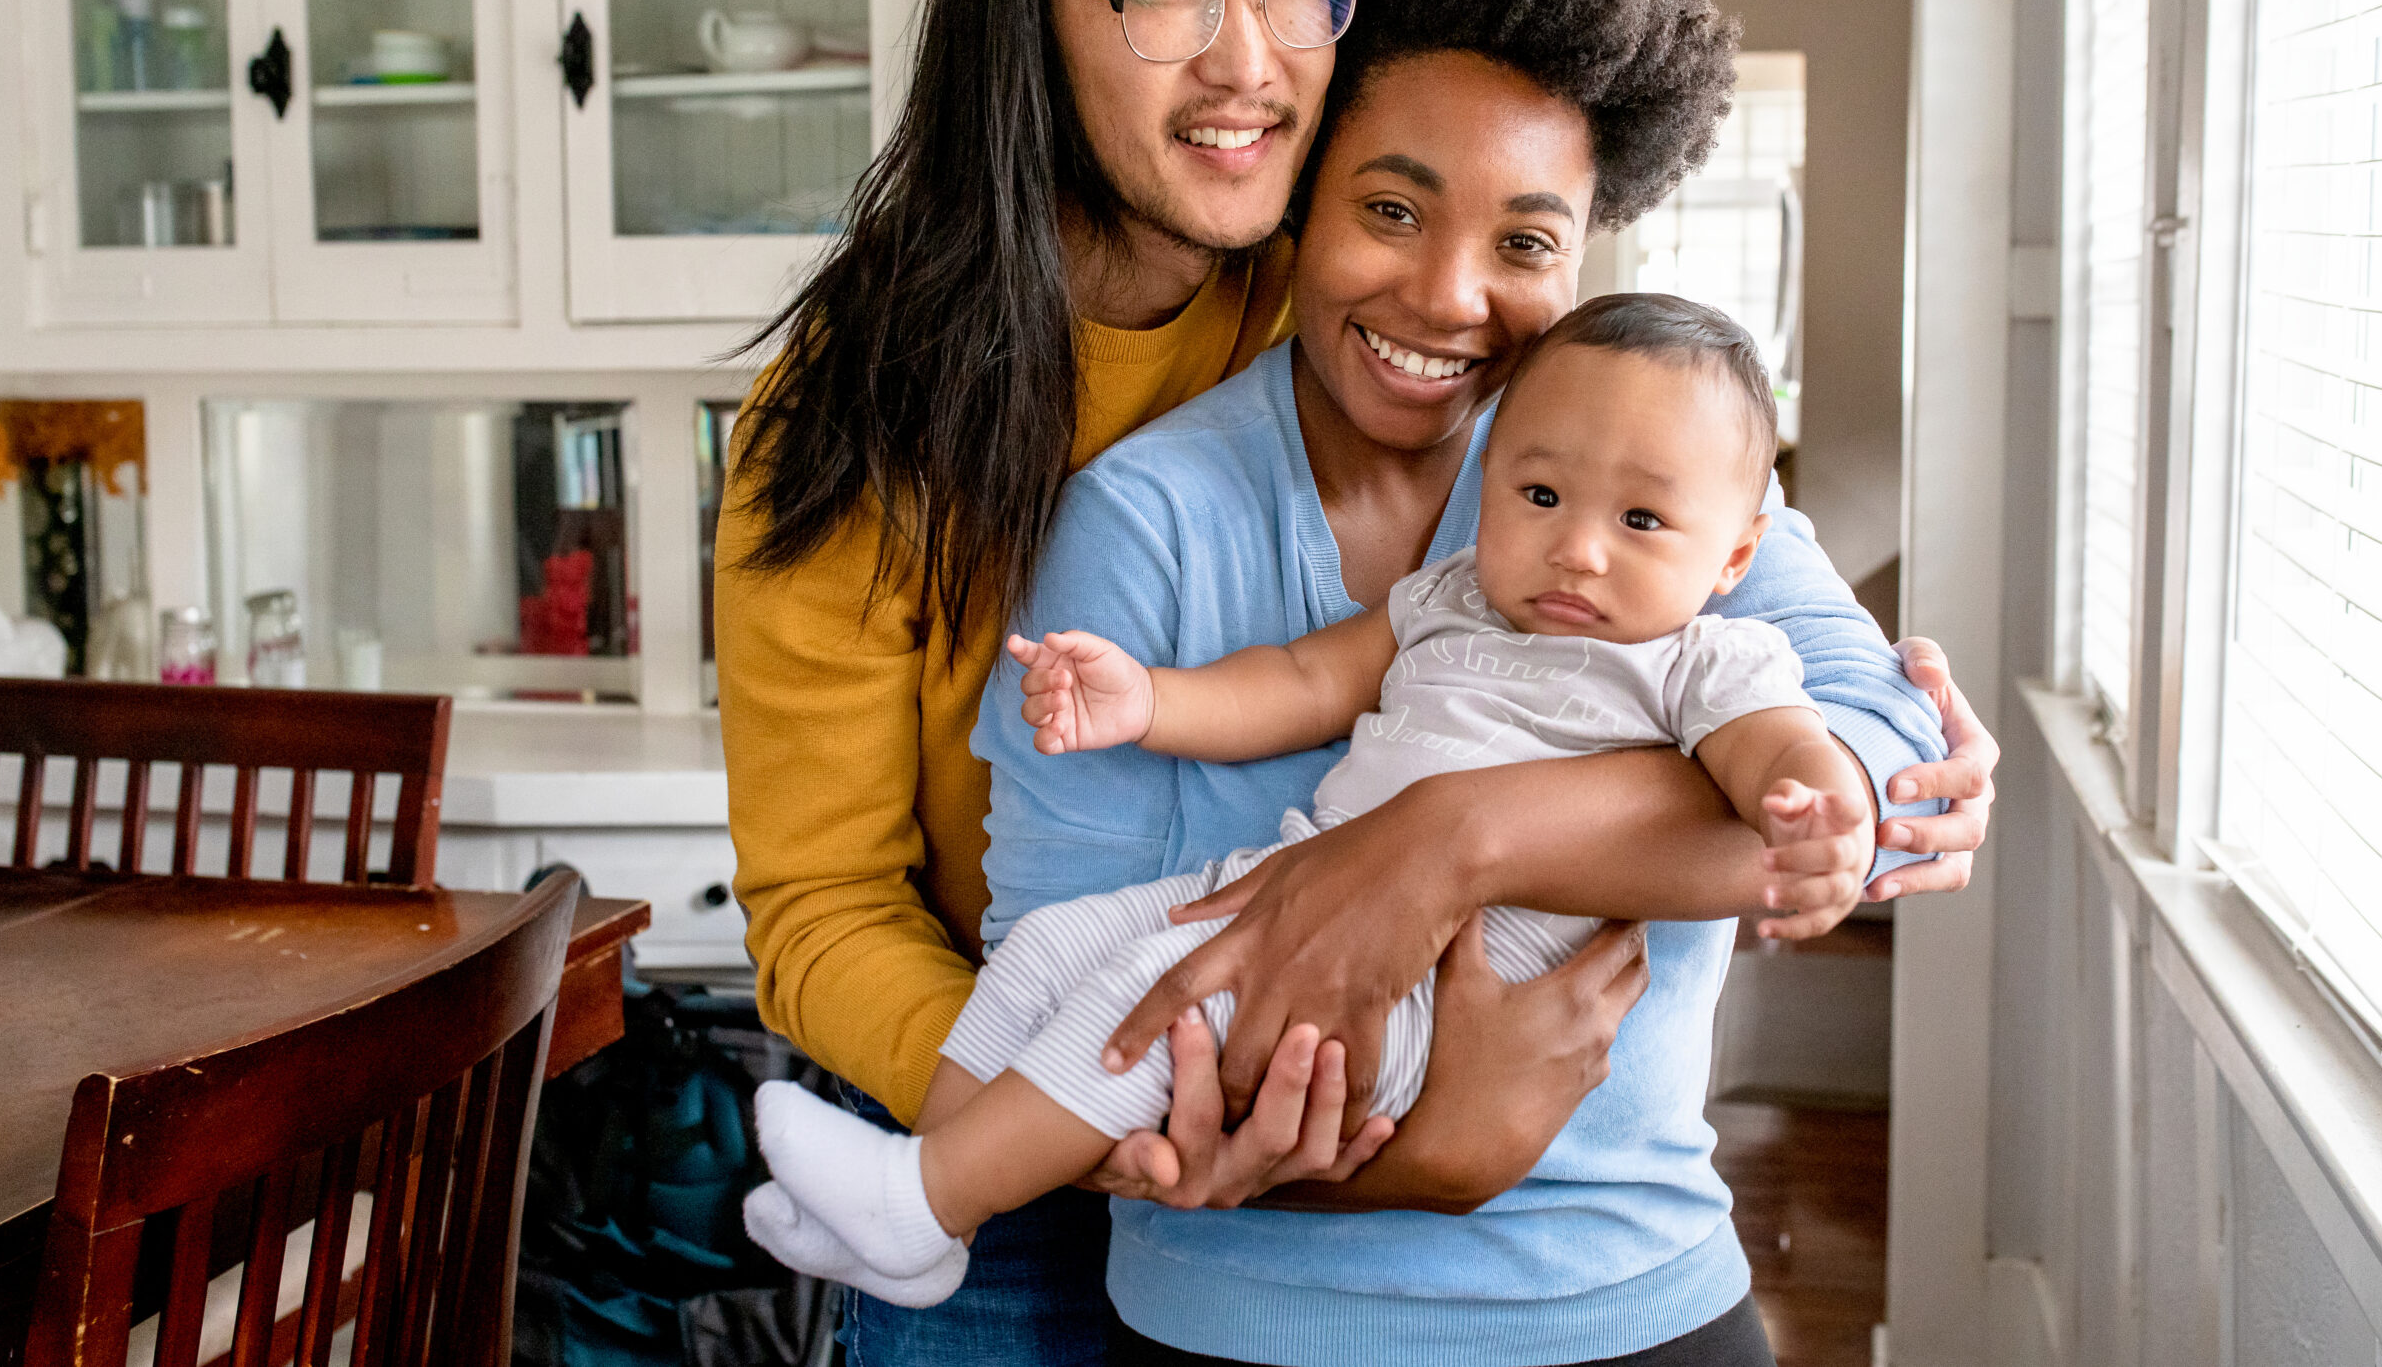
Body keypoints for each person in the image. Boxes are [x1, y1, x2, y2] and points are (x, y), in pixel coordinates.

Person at [718, 0, 2000, 1367]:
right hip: (1041, 1132)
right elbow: (821, 907)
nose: (1246, 58)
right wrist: (1114, 1137)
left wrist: (1455, 840)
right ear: (1024, 24)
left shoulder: (1490, 379)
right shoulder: (868, 420)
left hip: (1488, 1221)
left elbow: (1832, 721)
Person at [745, 294, 1879, 1311]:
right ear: (1491, 482)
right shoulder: (1450, 601)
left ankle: (920, 1200)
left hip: (1429, 990)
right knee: (1048, 947)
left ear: (1733, 556)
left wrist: (1819, 808)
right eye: (1539, 494)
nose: (1576, 550)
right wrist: (1145, 700)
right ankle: (931, 1207)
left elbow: (1782, 747)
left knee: (1156, 1009)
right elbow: (1300, 682)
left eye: (1640, 522)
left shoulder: (1703, 660)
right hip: (1291, 889)